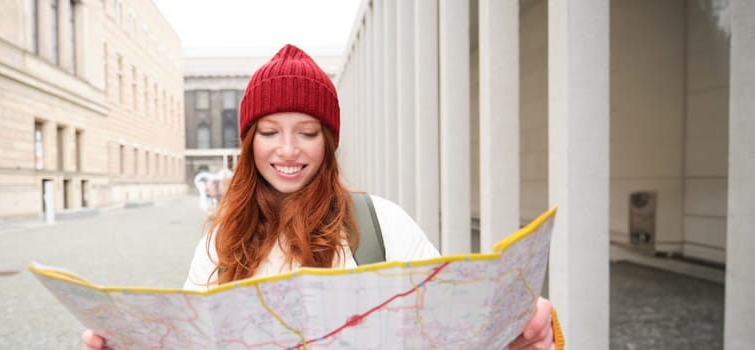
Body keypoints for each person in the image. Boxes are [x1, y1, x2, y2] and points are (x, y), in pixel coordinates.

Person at [83, 44, 561, 350]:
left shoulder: (380, 222)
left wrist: (518, 334)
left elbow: (446, 331)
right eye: (270, 132)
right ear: (250, 142)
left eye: (307, 132)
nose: (287, 150)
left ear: (328, 141)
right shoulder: (220, 239)